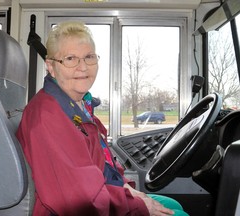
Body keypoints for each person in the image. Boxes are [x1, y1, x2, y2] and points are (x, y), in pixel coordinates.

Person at [16, 21, 189, 216]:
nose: (83, 67)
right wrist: (138, 205)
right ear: (51, 67)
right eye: (71, 58)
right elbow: (79, 201)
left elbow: (102, 164)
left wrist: (127, 189)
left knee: (174, 205)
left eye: (89, 57)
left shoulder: (80, 108)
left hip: (101, 194)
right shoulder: (48, 117)